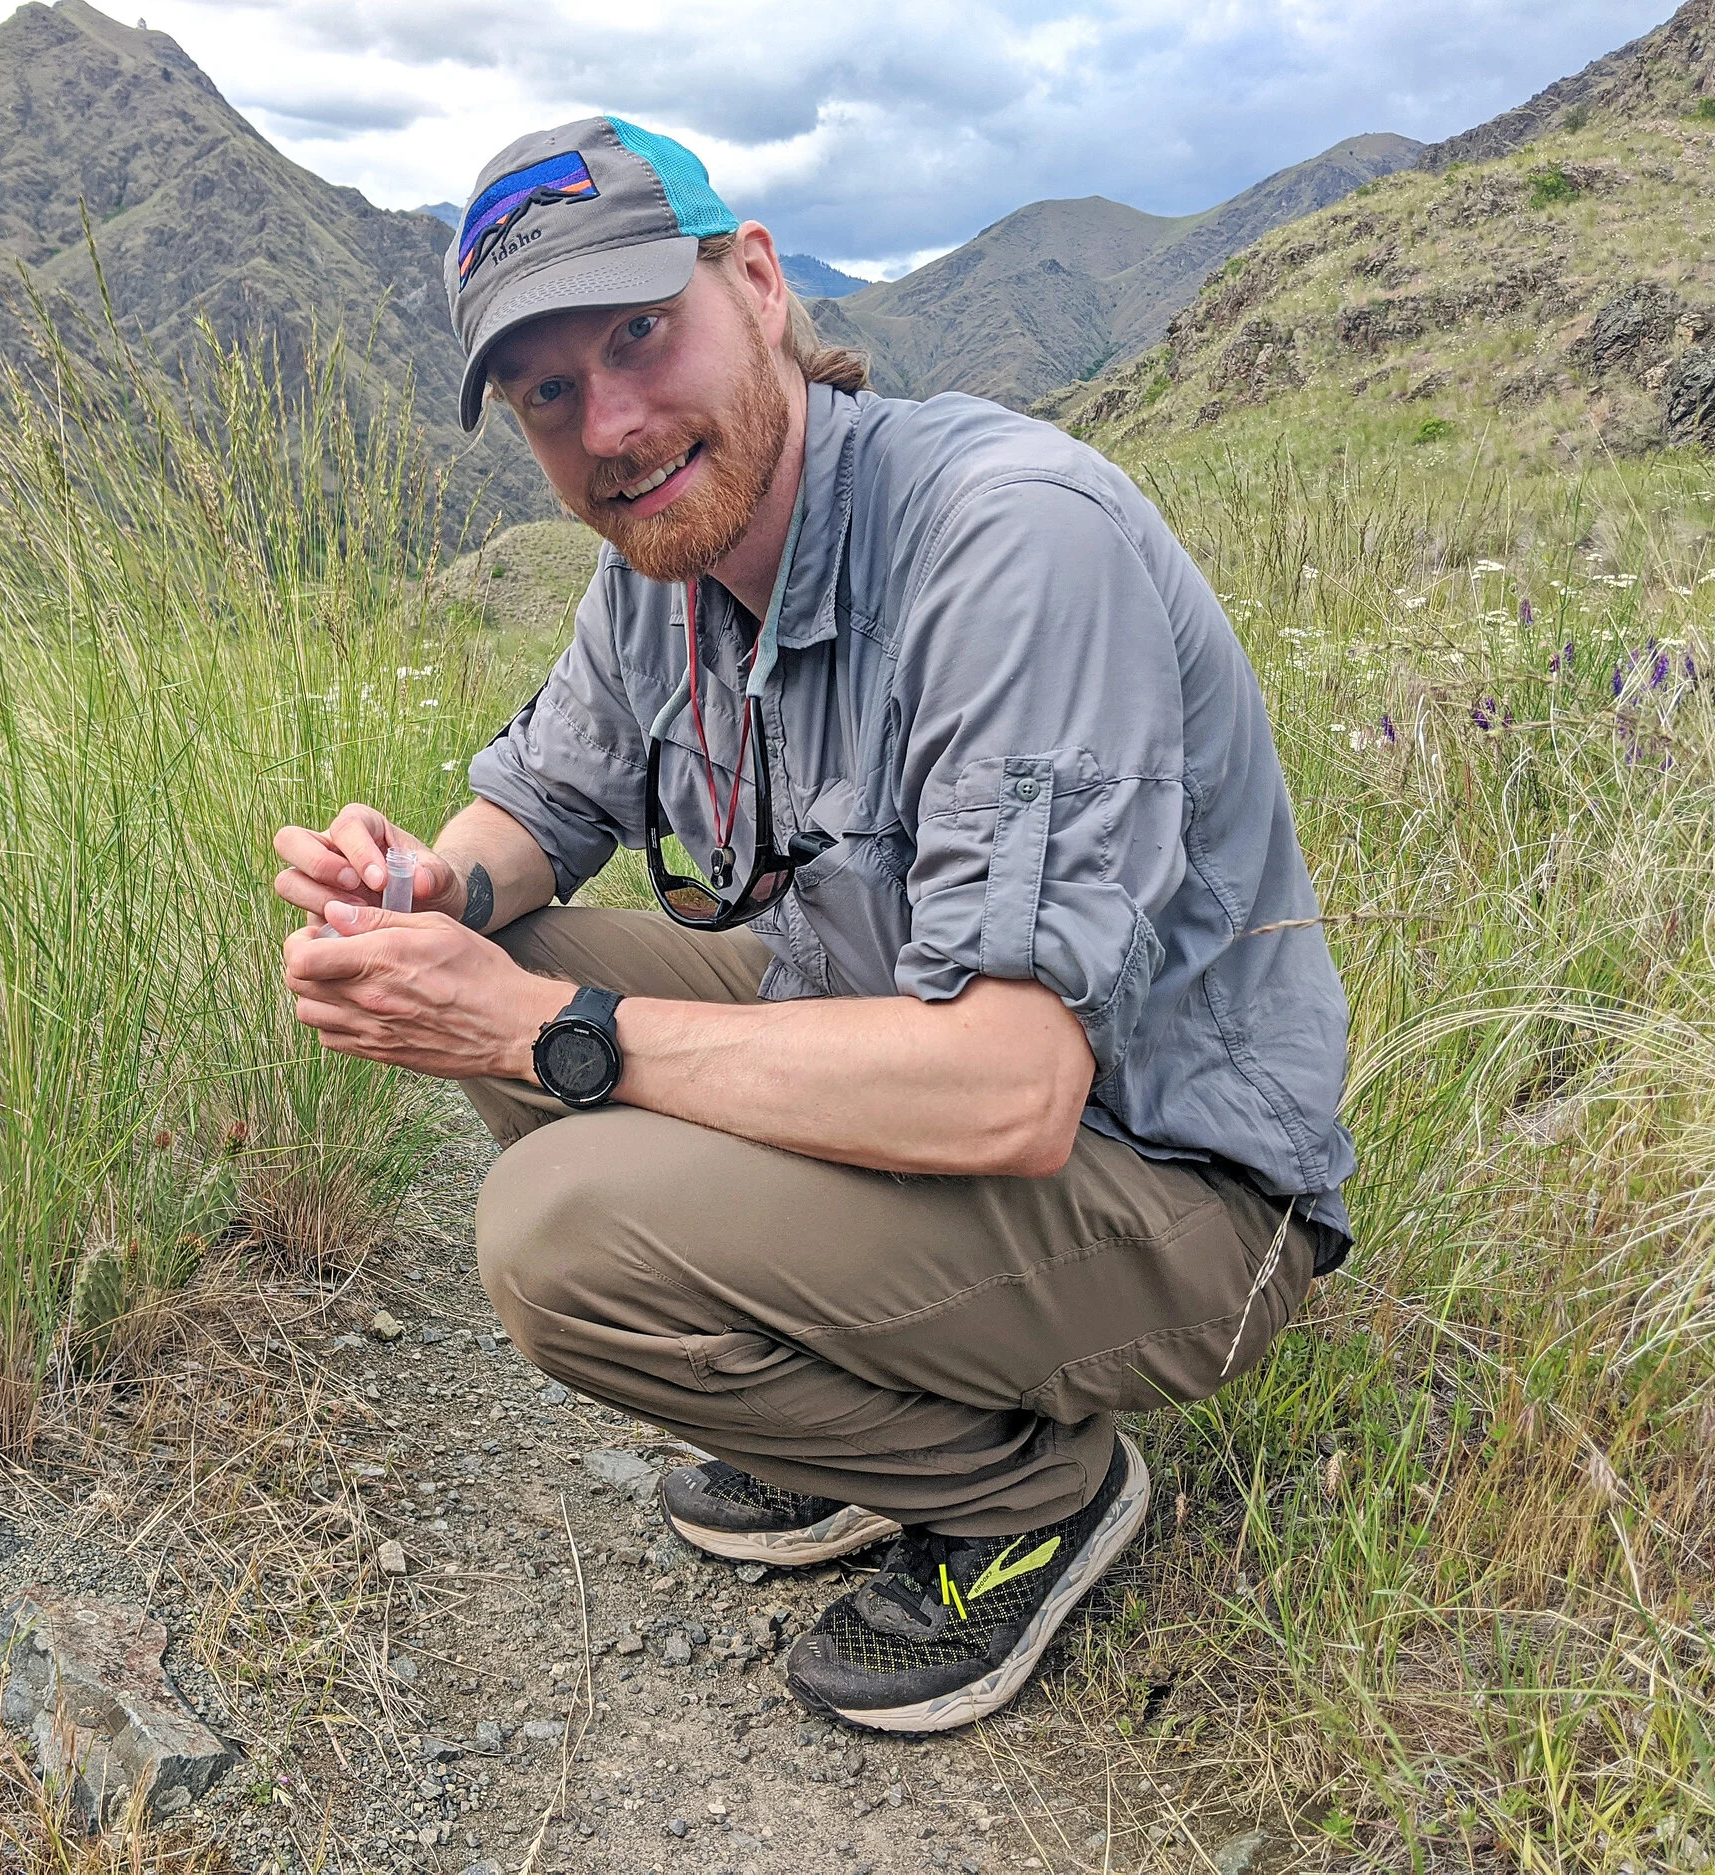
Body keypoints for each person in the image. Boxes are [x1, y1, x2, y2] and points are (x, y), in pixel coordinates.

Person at [273, 116, 1354, 1734]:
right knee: (508, 965)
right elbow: (548, 809)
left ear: (760, 284)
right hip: (912, 1077)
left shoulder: (1008, 543)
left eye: (640, 334)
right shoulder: (667, 557)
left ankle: (1029, 1491)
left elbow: (1006, 1087)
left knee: (557, 1227)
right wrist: (429, 892)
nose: (615, 425)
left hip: (1173, 1186)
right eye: (549, 395)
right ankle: (860, 1412)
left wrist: (536, 1035)